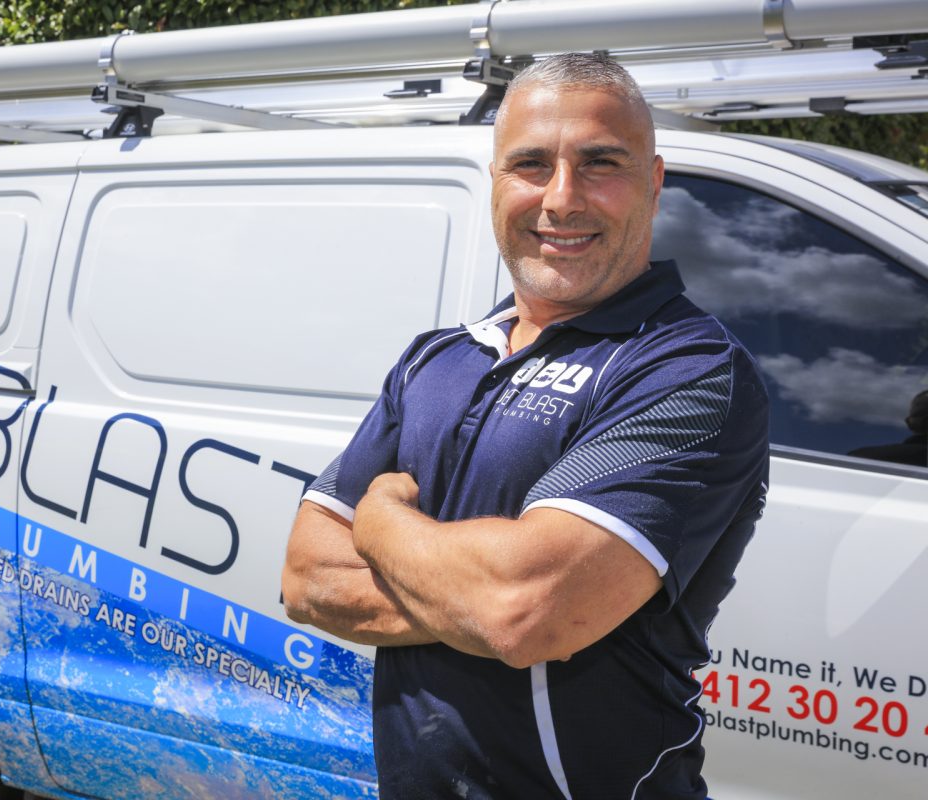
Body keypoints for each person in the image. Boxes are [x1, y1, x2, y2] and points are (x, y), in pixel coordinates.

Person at [281, 52, 770, 799]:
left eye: (600, 162)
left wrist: (380, 523)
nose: (562, 198)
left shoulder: (690, 370)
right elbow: (308, 578)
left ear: (655, 181)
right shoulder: (436, 360)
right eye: (532, 164)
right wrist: (473, 592)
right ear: (496, 183)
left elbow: (526, 611)